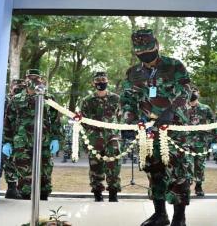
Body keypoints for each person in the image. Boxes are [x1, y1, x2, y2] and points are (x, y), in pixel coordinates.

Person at [121, 29, 191, 226]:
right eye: (140, 52)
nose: (145, 55)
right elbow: (127, 99)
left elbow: (185, 90)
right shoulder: (133, 73)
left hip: (174, 128)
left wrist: (171, 111)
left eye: (148, 50)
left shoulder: (174, 66)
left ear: (157, 45)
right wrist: (128, 120)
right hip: (148, 131)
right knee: (154, 170)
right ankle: (160, 215)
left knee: (178, 171)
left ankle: (179, 217)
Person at [2, 69, 62, 200]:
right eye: (30, 78)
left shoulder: (49, 98)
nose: (33, 81)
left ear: (41, 81)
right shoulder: (16, 99)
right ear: (25, 80)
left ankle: (43, 200)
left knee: (45, 173)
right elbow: (8, 122)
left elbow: (56, 121)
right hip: (22, 143)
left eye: (36, 79)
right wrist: (7, 141)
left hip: (44, 141)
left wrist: (55, 138)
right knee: (24, 175)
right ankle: (25, 201)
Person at [80, 71, 122, 202]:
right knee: (95, 167)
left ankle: (113, 194)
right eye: (97, 80)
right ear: (93, 83)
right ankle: (97, 194)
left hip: (112, 138)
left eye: (103, 79)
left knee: (113, 165)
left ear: (107, 81)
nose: (100, 82)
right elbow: (83, 121)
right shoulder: (87, 101)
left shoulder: (116, 98)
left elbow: (120, 117)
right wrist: (87, 139)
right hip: (94, 138)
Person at [1, 79, 26, 199]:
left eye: (21, 87)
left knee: (20, 163)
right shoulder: (6, 99)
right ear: (11, 88)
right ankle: (11, 188)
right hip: (7, 137)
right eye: (17, 87)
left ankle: (16, 188)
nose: (19, 89)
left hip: (21, 138)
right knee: (9, 162)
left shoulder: (23, 100)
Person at [187, 88, 214, 196]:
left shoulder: (205, 108)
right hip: (186, 141)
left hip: (201, 141)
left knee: (199, 164)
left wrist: (213, 136)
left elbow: (213, 121)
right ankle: (186, 186)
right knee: (186, 164)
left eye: (193, 101)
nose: (191, 104)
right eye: (190, 102)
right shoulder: (184, 108)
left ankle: (198, 186)